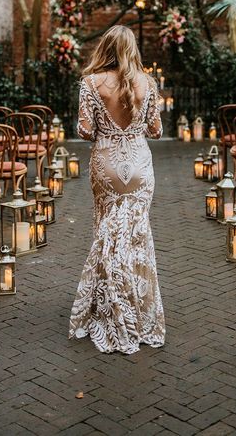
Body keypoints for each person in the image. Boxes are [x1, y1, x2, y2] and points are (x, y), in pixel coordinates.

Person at [69, 25, 165, 354]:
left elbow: (85, 130)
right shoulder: (148, 83)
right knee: (136, 235)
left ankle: (111, 302)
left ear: (104, 47)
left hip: (107, 164)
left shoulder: (91, 83)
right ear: (132, 48)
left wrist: (103, 125)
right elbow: (156, 129)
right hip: (139, 164)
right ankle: (137, 305)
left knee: (107, 232)